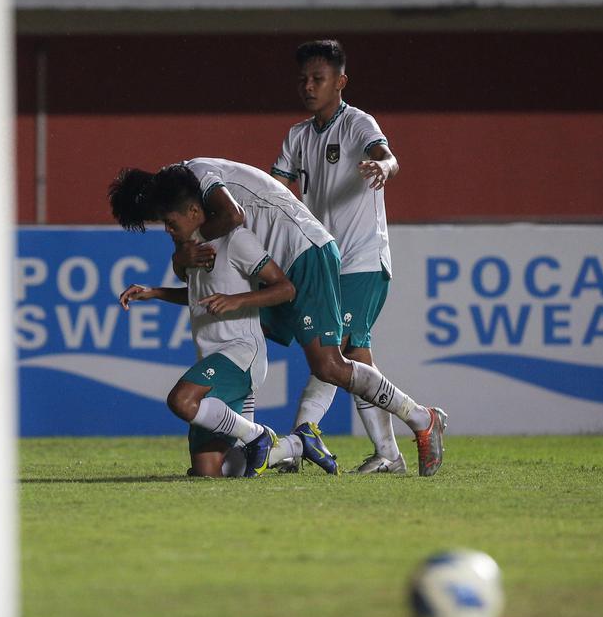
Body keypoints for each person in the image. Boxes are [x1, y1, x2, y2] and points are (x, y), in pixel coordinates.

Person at [109, 158, 446, 477]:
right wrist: (171, 274)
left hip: (301, 250)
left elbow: (233, 214)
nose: (166, 229)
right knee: (263, 334)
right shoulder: (197, 211)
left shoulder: (197, 174)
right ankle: (274, 443)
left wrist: (185, 252)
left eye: (162, 220)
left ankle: (419, 417)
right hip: (272, 262)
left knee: (327, 364)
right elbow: (198, 284)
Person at [116, 165, 326, 478]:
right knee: (210, 472)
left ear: (192, 210)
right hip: (214, 356)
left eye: (171, 224)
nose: (168, 232)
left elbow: (285, 289)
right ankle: (294, 447)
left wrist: (237, 301)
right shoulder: (192, 251)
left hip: (241, 354)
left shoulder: (236, 240)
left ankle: (259, 436)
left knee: (181, 400)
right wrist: (155, 292)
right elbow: (197, 295)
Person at [271, 39, 405, 474]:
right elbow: (273, 190)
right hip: (325, 265)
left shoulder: (358, 124)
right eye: (303, 79)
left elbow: (388, 157)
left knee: (334, 353)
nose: (308, 86)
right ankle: (391, 452)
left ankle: (296, 440)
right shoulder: (297, 136)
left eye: (318, 79)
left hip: (363, 260)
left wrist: (382, 167)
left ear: (340, 82)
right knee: (355, 358)